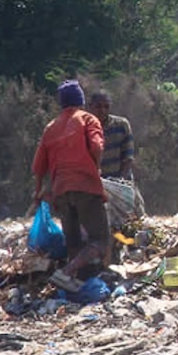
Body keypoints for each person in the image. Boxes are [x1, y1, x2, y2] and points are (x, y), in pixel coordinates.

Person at [32, 80, 109, 292]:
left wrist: (38, 191)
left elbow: (38, 166)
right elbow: (97, 146)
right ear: (81, 100)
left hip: (61, 191)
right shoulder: (87, 119)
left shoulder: (51, 127)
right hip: (85, 186)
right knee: (100, 240)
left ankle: (72, 284)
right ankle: (66, 272)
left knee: (73, 240)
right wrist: (95, 167)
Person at [88, 91, 135, 180]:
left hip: (120, 182)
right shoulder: (85, 128)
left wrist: (120, 180)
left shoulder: (121, 125)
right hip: (95, 183)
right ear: (90, 107)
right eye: (98, 106)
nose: (102, 110)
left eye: (106, 106)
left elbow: (128, 157)